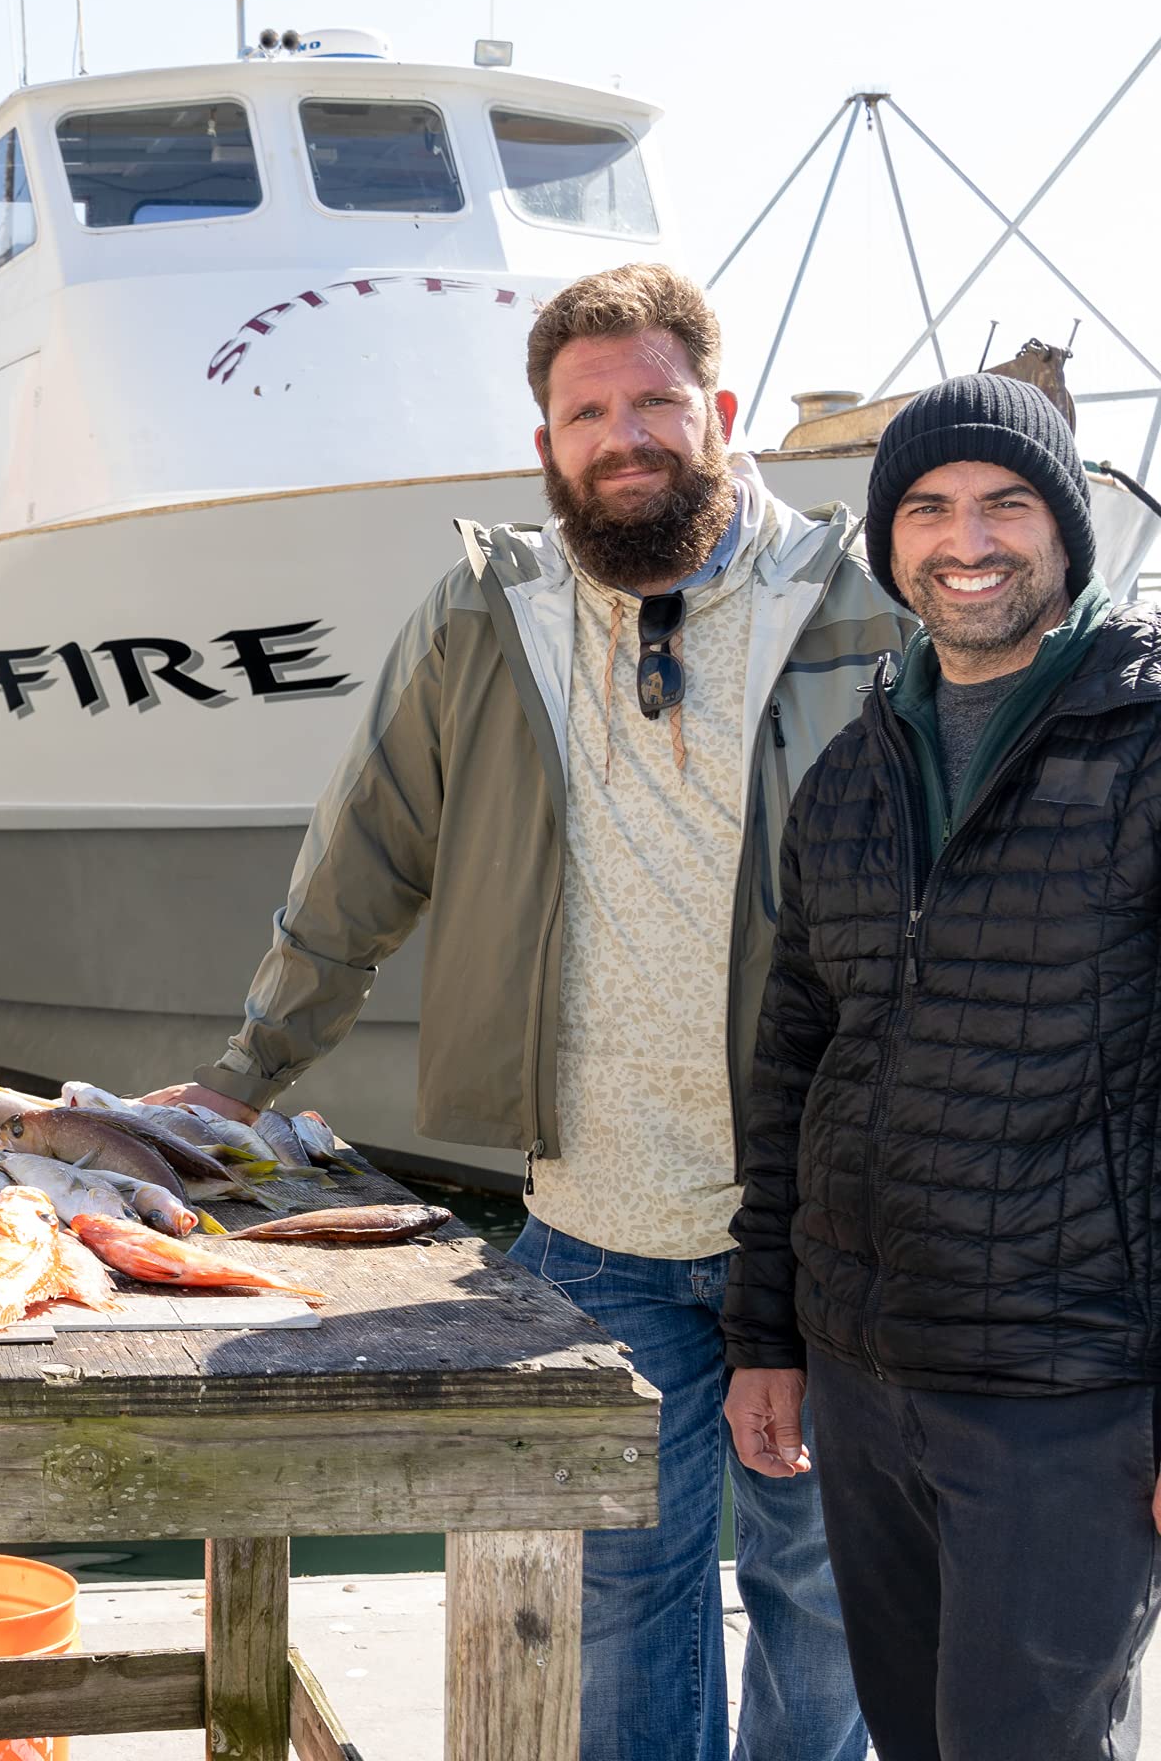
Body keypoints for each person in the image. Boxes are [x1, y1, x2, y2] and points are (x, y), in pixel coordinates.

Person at [148, 261, 902, 1761]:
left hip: (820, 1219)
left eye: (655, 402)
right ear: (547, 443)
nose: (625, 437)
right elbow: (360, 861)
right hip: (596, 1219)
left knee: (823, 1595)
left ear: (724, 413)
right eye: (586, 413)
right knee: (621, 1601)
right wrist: (242, 1079)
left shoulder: (860, 612)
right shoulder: (485, 616)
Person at [724, 372, 1161, 1761]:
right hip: (863, 1383)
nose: (966, 539)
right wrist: (766, 1337)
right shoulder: (852, 769)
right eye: (928, 508)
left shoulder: (1147, 739)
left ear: (1066, 529)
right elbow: (796, 1064)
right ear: (888, 541)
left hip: (1070, 1398)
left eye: (1004, 503)